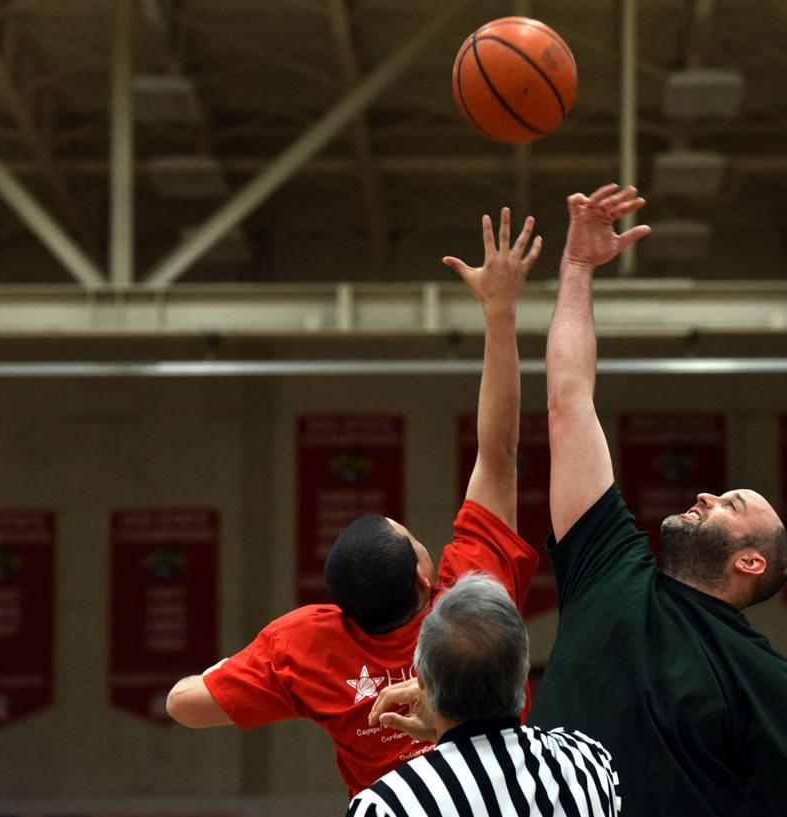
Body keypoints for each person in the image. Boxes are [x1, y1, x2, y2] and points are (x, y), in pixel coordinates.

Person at [529, 183, 787, 817]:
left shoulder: (762, 679)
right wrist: (576, 269)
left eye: (732, 504)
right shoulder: (607, 566)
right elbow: (569, 400)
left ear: (750, 562)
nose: (706, 493)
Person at [165, 209, 544, 797]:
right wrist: (500, 310)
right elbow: (498, 450)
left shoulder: (307, 649)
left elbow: (183, 705)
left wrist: (265, 669)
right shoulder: (476, 597)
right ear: (424, 576)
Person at [348, 574, 621, 817]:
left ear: (421, 681)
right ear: (522, 670)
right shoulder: (587, 764)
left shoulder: (384, 806)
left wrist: (444, 738)